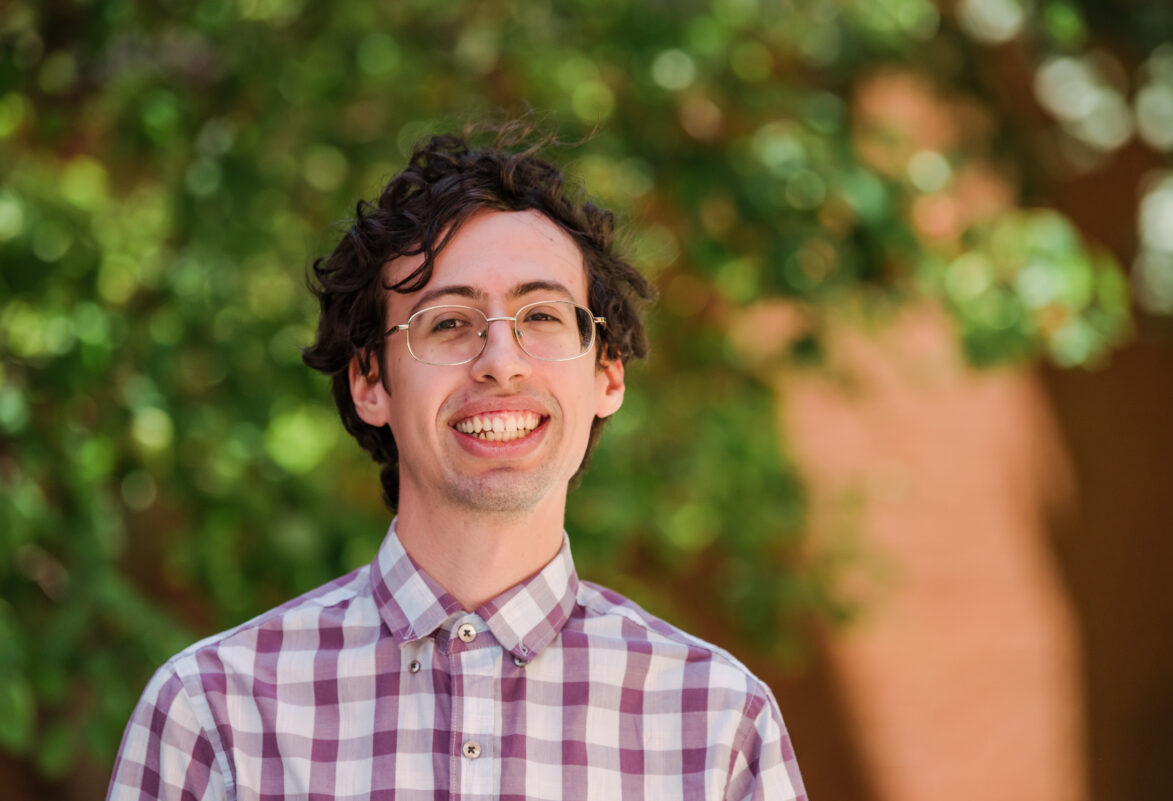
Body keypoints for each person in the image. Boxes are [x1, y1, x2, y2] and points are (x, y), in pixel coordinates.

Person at [107, 126, 808, 800]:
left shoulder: (718, 723)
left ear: (607, 376)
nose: (500, 362)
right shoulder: (216, 713)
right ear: (370, 381)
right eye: (447, 322)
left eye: (540, 317)